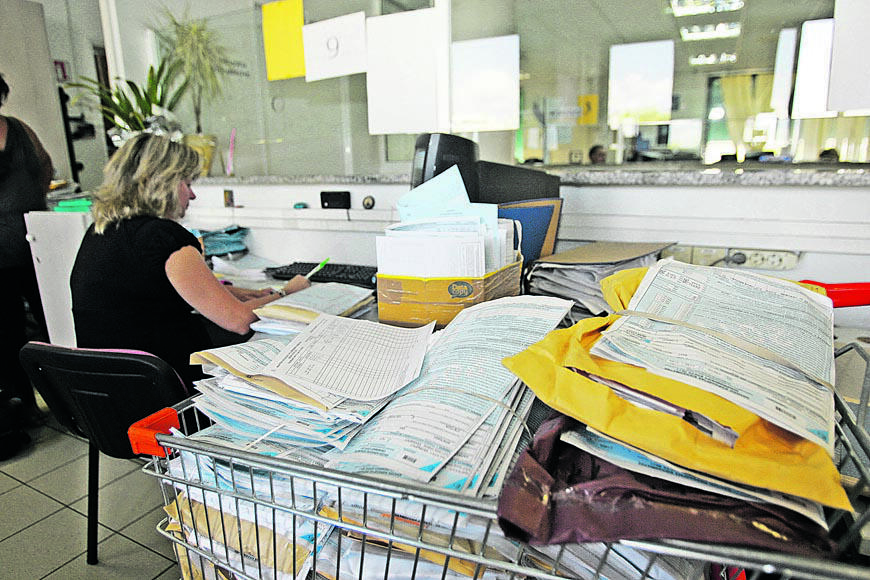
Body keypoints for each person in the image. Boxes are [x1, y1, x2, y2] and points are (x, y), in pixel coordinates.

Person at [70, 133, 310, 391]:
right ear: (160, 182)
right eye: (186, 183)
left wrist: (238, 293)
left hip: (108, 388)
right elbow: (239, 321)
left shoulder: (101, 230)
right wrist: (287, 293)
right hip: (165, 389)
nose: (192, 195)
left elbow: (148, 294)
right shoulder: (163, 237)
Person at [0, 72, 53, 442]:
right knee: (9, 333)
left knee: (52, 324)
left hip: (36, 245)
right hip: (0, 259)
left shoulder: (18, 130)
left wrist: (33, 201)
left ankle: (63, 397)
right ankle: (25, 404)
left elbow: (44, 166)